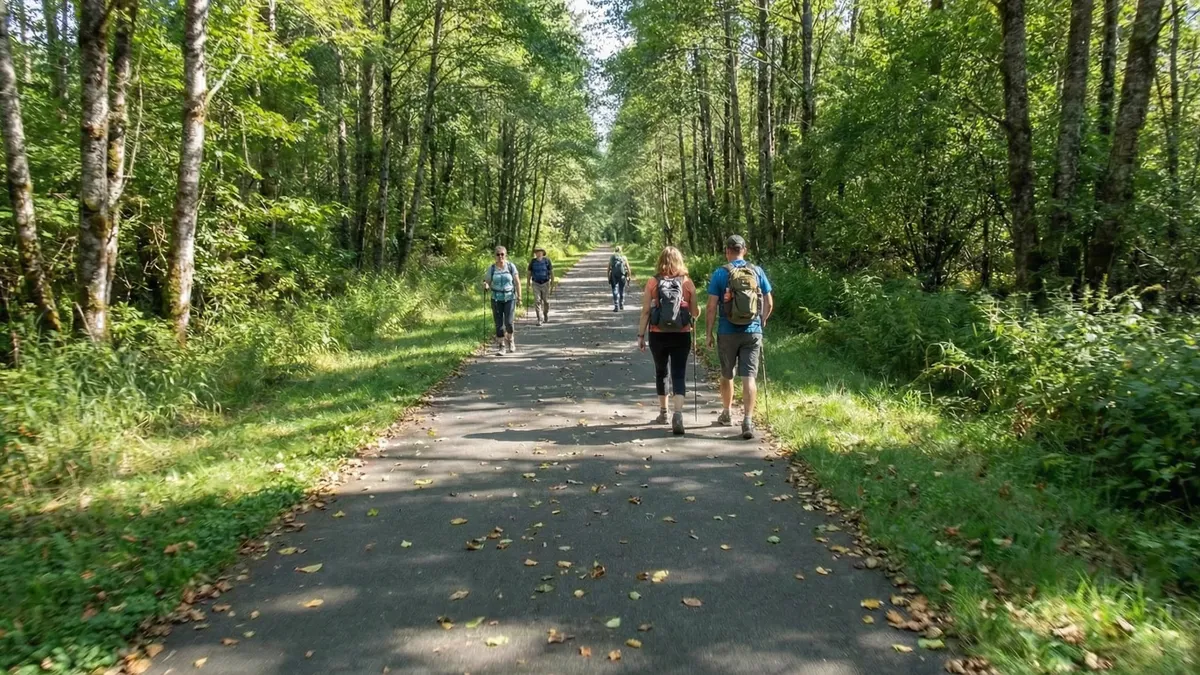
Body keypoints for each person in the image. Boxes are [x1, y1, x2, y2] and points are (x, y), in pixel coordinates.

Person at [706, 235, 773, 439]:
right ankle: (747, 420)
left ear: (727, 251)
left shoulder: (720, 273)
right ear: (745, 250)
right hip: (752, 332)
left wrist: (708, 333)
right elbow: (769, 303)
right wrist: (761, 322)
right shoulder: (757, 271)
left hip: (727, 331)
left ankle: (726, 413)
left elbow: (710, 307)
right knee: (749, 377)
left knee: (727, 375)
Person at [638, 246, 701, 435]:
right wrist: (698, 312)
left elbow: (646, 311)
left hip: (658, 333)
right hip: (681, 333)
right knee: (679, 373)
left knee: (661, 371)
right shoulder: (687, 283)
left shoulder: (653, 282)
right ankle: (678, 415)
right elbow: (695, 312)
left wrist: (641, 335)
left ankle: (663, 413)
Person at [482, 246, 521, 354]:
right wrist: (485, 285)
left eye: (502, 254)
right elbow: (487, 282)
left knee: (508, 323)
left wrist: (519, 297)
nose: (500, 256)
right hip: (496, 299)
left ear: (505, 255)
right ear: (495, 256)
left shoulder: (510, 266)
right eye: (498, 254)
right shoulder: (492, 268)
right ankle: (501, 346)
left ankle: (511, 340)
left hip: (510, 298)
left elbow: (517, 282)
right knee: (499, 325)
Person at [527, 246, 554, 325]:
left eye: (540, 252)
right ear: (535, 253)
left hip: (545, 283)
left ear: (543, 253)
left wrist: (552, 281)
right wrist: (528, 283)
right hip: (536, 283)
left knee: (546, 301)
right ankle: (539, 318)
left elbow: (551, 271)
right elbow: (529, 273)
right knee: (537, 301)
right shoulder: (533, 262)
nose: (538, 253)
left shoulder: (547, 261)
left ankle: (545, 314)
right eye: (537, 252)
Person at [607, 246, 633, 311]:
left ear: (615, 250)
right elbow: (628, 268)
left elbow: (608, 268)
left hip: (614, 276)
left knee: (614, 289)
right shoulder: (624, 257)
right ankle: (621, 304)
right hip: (622, 276)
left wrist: (608, 277)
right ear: (621, 251)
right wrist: (629, 276)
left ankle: (616, 306)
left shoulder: (612, 257)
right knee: (621, 290)